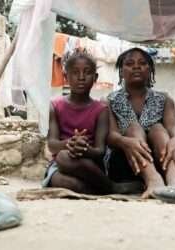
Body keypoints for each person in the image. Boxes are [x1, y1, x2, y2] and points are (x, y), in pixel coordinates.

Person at [43, 48, 139, 195]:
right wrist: (70, 144)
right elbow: (52, 145)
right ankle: (106, 189)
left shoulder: (101, 110)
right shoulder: (55, 106)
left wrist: (84, 149)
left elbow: (100, 151)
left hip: (91, 166)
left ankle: (109, 186)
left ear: (95, 77)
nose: (81, 77)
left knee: (65, 159)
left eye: (87, 72)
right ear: (65, 76)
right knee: (62, 166)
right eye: (75, 73)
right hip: (61, 166)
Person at [107, 47, 175, 198]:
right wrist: (125, 142)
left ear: (150, 70)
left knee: (158, 130)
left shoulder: (164, 99)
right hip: (124, 163)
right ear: (121, 71)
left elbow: (174, 127)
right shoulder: (110, 101)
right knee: (133, 128)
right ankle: (153, 180)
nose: (136, 66)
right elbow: (111, 136)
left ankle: (174, 180)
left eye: (142, 63)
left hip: (160, 161)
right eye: (130, 63)